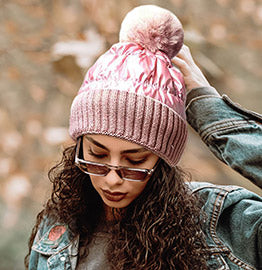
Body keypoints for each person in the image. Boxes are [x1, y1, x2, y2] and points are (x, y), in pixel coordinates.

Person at [25, 5, 262, 270]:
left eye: (135, 161)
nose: (112, 179)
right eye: (97, 155)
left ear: (162, 160)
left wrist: (208, 110)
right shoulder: (58, 229)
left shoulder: (220, 222)